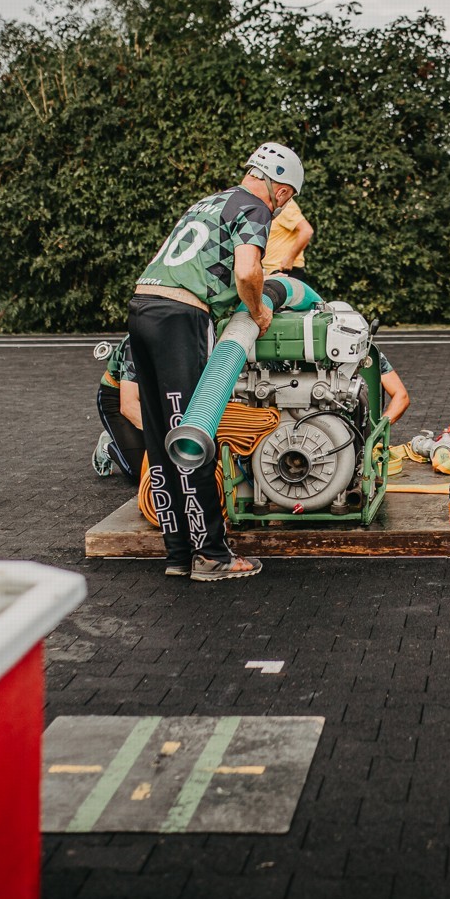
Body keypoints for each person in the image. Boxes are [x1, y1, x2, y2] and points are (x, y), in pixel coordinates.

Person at [128, 141, 300, 581]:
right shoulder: (255, 208)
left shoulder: (208, 203)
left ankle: (177, 554)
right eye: (286, 199)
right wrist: (257, 310)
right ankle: (211, 556)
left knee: (161, 438)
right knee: (194, 433)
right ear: (281, 190)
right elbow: (246, 271)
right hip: (179, 317)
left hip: (143, 307)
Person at [93, 337, 144, 480]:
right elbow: (129, 406)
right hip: (117, 399)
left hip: (150, 399)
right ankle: (107, 446)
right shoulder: (135, 343)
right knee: (143, 472)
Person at [264, 196, 314, 284]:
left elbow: (306, 231)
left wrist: (290, 258)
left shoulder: (283, 204)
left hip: (285, 271)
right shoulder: (267, 206)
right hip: (272, 272)